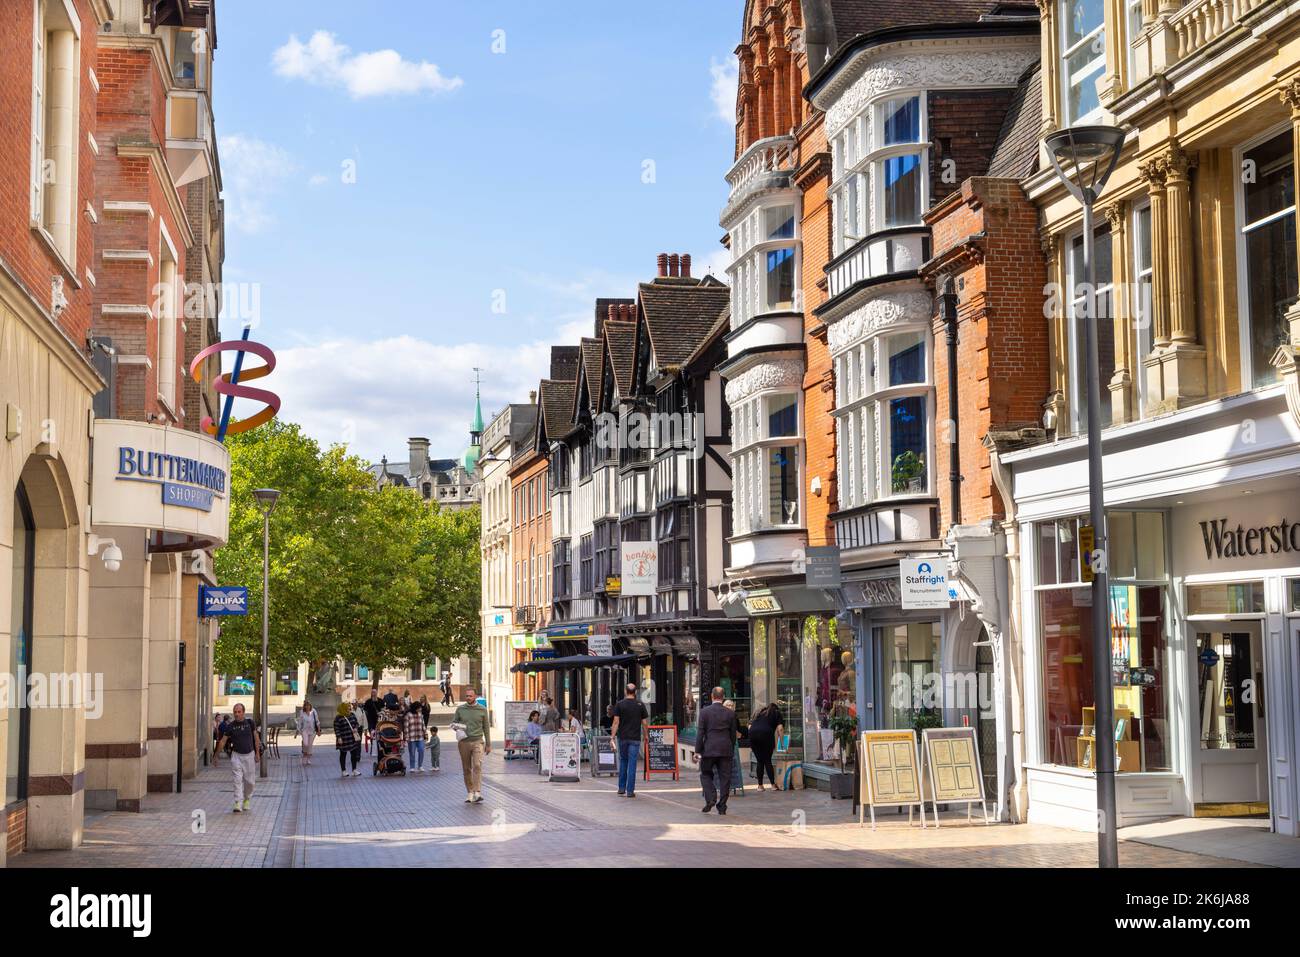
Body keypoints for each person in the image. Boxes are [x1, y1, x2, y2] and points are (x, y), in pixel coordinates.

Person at [212, 702, 262, 813]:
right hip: (236, 756)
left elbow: (256, 738)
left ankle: (247, 799)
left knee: (250, 782)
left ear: (243, 712)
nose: (237, 714)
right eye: (235, 712)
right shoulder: (231, 726)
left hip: (249, 755)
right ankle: (237, 802)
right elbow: (223, 741)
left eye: (239, 712)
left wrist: (257, 753)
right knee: (237, 780)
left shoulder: (250, 723)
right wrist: (216, 755)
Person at [695, 686, 738, 815]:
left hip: (709, 749)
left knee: (705, 774)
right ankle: (722, 805)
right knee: (725, 778)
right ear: (723, 697)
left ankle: (711, 798)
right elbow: (733, 734)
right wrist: (731, 746)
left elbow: (700, 733)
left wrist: (697, 751)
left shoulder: (704, 712)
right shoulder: (730, 713)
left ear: (712, 697)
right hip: (725, 749)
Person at [452, 688, 491, 803]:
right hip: (464, 742)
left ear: (475, 696)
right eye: (467, 696)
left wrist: (488, 744)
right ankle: (470, 792)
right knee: (466, 768)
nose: (468, 698)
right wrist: (456, 727)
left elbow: (486, 728)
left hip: (478, 741)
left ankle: (477, 792)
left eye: (470, 696)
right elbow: (454, 723)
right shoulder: (460, 709)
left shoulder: (482, 710)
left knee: (477, 765)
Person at [609, 683, 647, 798]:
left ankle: (621, 788)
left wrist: (612, 736)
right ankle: (630, 791)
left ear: (626, 692)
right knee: (632, 764)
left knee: (623, 761)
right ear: (635, 692)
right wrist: (646, 736)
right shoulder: (640, 705)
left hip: (623, 738)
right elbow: (644, 723)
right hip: (635, 738)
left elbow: (616, 722)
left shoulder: (620, 705)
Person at [747, 702, 785, 792]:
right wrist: (782, 743)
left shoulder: (760, 712)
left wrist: (754, 735)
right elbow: (780, 729)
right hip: (766, 735)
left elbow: (749, 726)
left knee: (760, 761)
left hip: (753, 735)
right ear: (776, 708)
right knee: (767, 760)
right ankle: (773, 785)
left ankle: (760, 786)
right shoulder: (776, 713)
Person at [334, 702, 362, 777]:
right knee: (343, 754)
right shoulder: (338, 717)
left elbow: (356, 723)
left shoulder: (352, 715)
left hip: (352, 738)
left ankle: (354, 770)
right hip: (343, 739)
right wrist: (339, 737)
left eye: (349, 707)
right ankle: (343, 770)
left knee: (354, 754)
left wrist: (356, 728)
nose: (349, 708)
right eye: (347, 707)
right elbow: (336, 729)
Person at [404, 700, 426, 773]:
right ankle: (412, 767)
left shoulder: (420, 714)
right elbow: (406, 727)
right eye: (419, 707)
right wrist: (406, 737)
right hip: (411, 737)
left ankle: (420, 766)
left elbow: (423, 725)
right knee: (412, 753)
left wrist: (425, 734)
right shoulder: (408, 715)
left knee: (421, 750)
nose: (420, 709)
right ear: (415, 708)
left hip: (420, 736)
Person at [296, 700, 321, 767]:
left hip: (312, 731)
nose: (307, 707)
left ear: (310, 706)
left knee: (310, 745)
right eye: (306, 705)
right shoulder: (302, 712)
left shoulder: (313, 711)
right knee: (306, 743)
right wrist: (297, 731)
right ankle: (304, 753)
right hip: (304, 730)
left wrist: (318, 730)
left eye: (308, 705)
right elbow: (300, 722)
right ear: (304, 706)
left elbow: (317, 721)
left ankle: (307, 759)